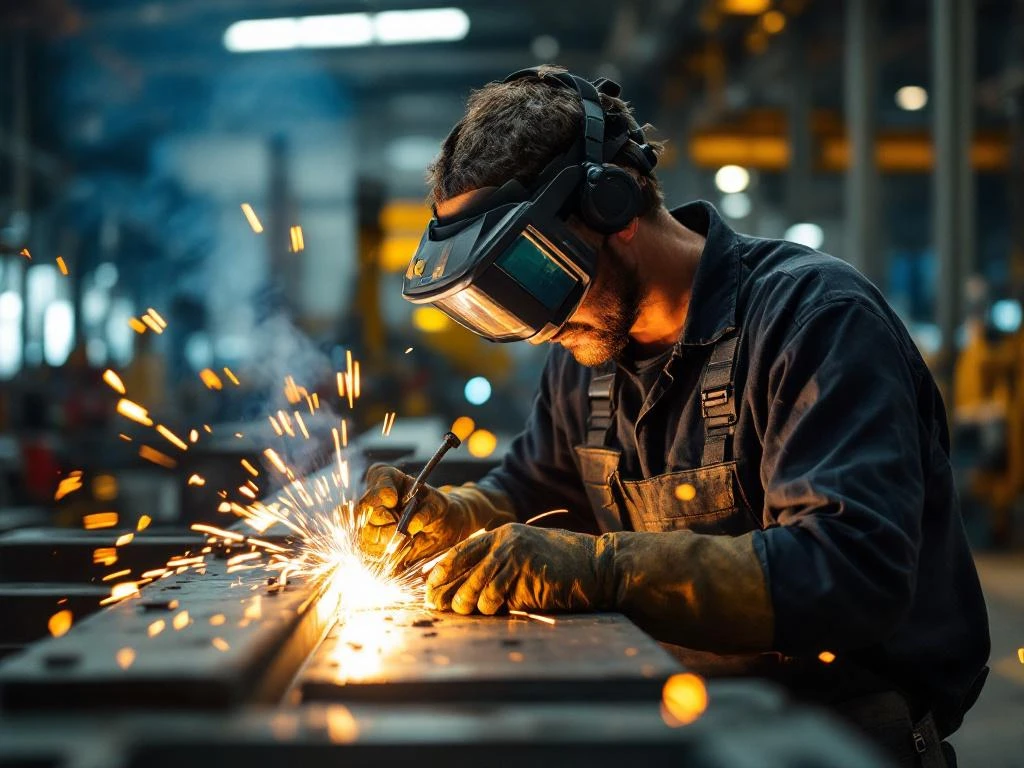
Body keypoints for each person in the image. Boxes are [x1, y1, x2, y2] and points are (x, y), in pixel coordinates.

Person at [357, 66, 989, 766]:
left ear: (612, 208)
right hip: (679, 721)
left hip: (839, 737)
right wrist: (460, 514)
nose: (538, 327)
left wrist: (604, 571)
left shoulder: (813, 320)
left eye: (538, 280)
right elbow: (539, 495)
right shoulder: (586, 349)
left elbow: (849, 574)